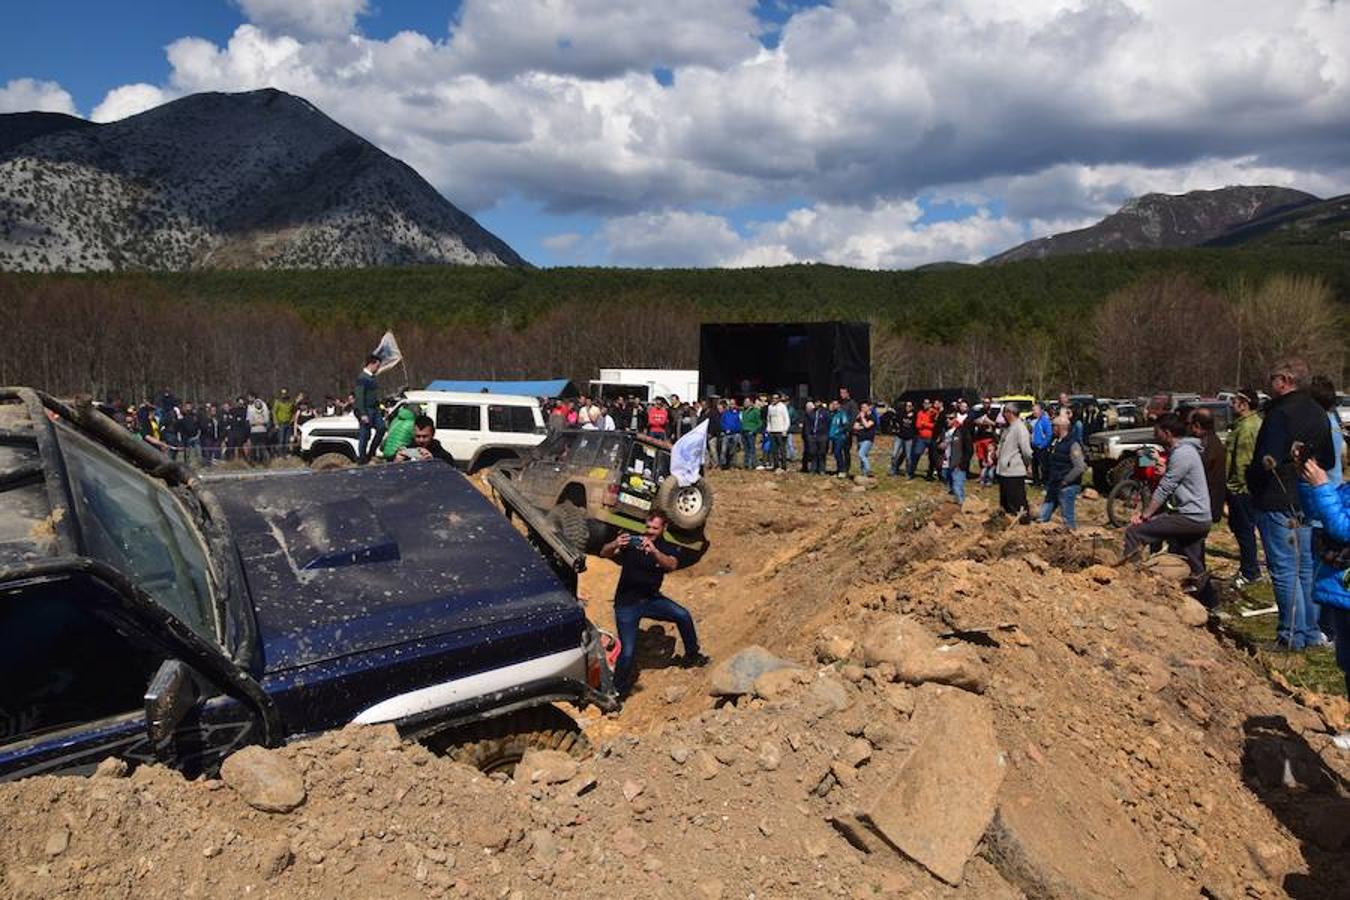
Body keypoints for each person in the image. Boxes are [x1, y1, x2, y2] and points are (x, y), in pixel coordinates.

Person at [1246, 357, 1336, 650]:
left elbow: (1265, 459)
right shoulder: (1318, 413)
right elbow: (1329, 460)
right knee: (1306, 568)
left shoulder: (1280, 414)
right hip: (1306, 497)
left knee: (1285, 568)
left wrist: (1252, 479)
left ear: (1284, 380)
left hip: (1276, 497)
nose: (1270, 384)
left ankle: (1291, 634)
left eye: (1273, 379)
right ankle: (1310, 632)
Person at [600, 512, 708, 695]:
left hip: (652, 600)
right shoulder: (633, 544)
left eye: (655, 528)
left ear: (663, 528)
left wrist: (655, 551)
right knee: (627, 652)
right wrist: (615, 544)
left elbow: (672, 565)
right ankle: (615, 693)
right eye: (648, 527)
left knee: (682, 615)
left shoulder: (665, 546)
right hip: (627, 605)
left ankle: (692, 656)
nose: (649, 532)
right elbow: (604, 553)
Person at [1123, 413, 1212, 577]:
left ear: (1167, 433)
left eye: (1157, 432)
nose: (1155, 435)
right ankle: (1206, 598)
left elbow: (1165, 488)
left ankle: (1130, 578)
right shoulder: (1185, 451)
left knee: (1135, 532)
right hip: (1198, 516)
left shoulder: (1182, 453)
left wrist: (1145, 516)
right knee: (1194, 564)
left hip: (1190, 517)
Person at [1298, 456, 1350, 734]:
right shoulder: (1345, 489)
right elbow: (1317, 513)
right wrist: (1308, 482)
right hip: (1342, 590)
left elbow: (1343, 529)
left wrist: (1321, 487)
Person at [1225, 388, 1264, 588]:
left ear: (1244, 403)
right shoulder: (1243, 425)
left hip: (1242, 490)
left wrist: (1235, 487)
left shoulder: (1248, 427)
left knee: (1244, 530)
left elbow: (1242, 462)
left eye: (1235, 400)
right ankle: (1249, 566)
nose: (1232, 404)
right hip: (1244, 488)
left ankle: (1250, 571)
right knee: (1240, 527)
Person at [1038, 415, 1085, 529]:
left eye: (1053, 426)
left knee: (1067, 520)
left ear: (1060, 427)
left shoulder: (1073, 444)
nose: (1052, 428)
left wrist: (1066, 480)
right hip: (1054, 484)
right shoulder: (1055, 442)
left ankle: (1073, 540)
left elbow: (1079, 467)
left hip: (1066, 486)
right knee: (1042, 517)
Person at [1188, 407, 1227, 531]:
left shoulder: (1206, 446)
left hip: (1207, 499)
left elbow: (1201, 470)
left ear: (1198, 425)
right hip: (1211, 498)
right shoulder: (1214, 441)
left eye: (1192, 426)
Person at [995, 402, 1033, 519]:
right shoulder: (1009, 428)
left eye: (1004, 412)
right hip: (1004, 471)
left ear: (1010, 413)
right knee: (1006, 503)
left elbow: (1026, 451)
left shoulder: (1020, 428)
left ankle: (1023, 522)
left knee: (1017, 502)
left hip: (1014, 471)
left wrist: (1028, 464)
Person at [355, 354, 385, 464]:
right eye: (377, 366)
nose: (378, 368)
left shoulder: (372, 378)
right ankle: (362, 459)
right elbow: (359, 396)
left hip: (374, 409)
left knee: (381, 428)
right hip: (366, 410)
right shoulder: (362, 378)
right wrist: (363, 413)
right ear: (371, 364)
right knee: (365, 435)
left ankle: (371, 452)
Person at [910, 399, 936, 479]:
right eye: (924, 403)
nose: (925, 405)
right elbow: (918, 425)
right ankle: (911, 472)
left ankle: (930, 474)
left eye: (927, 403)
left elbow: (935, 425)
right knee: (916, 454)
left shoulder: (933, 413)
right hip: (921, 437)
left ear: (930, 404)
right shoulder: (920, 413)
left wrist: (924, 424)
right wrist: (929, 425)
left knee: (932, 457)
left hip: (931, 438)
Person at [803, 400, 830, 475]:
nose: (817, 404)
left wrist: (827, 435)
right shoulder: (811, 413)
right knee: (813, 452)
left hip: (822, 436)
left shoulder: (825, 413)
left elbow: (828, 424)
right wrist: (808, 435)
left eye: (818, 402)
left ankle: (821, 469)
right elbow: (807, 425)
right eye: (815, 402)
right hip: (812, 436)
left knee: (822, 453)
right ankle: (813, 469)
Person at [1029, 402, 1053, 486]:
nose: (1033, 412)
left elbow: (1049, 434)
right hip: (1034, 447)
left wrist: (1043, 445)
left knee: (1044, 466)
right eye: (1033, 410)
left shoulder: (1045, 421)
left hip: (1041, 447)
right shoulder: (1034, 421)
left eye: (1035, 410)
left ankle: (1045, 482)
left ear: (1041, 411)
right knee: (1034, 465)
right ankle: (1036, 481)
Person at [891, 401, 916, 477]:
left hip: (909, 438)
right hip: (899, 436)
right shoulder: (901, 413)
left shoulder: (915, 415)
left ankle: (908, 472)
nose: (908, 407)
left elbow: (916, 426)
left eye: (909, 406)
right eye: (906, 406)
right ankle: (894, 470)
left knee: (908, 457)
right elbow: (894, 420)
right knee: (894, 454)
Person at [766, 394, 790, 472]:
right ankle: (776, 465)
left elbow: (786, 419)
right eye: (773, 398)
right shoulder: (770, 407)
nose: (774, 399)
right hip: (772, 431)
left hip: (781, 431)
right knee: (774, 450)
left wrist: (785, 430)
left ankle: (784, 466)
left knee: (782, 450)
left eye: (776, 398)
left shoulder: (782, 407)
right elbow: (768, 419)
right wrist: (768, 429)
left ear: (779, 399)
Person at [853, 401, 876, 478]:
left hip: (868, 439)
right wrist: (859, 419)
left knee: (861, 454)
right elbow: (855, 427)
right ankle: (864, 473)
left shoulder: (872, 416)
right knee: (863, 456)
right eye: (862, 407)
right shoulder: (859, 417)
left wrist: (862, 418)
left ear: (869, 407)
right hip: (860, 439)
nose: (862, 409)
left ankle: (868, 470)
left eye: (864, 407)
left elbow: (867, 425)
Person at [828, 400, 850, 476]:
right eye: (833, 404)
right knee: (835, 453)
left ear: (839, 405)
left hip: (840, 437)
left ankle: (842, 470)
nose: (834, 406)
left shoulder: (842, 414)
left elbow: (845, 425)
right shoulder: (832, 414)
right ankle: (838, 469)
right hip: (833, 436)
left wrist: (839, 431)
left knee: (838, 452)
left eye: (836, 404)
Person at [272, 388, 295, 456]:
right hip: (281, 423)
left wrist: (292, 419)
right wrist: (276, 423)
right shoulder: (278, 402)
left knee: (288, 440)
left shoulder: (290, 402)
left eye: (285, 393)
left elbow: (293, 411)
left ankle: (287, 453)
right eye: (282, 393)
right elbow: (274, 412)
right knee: (281, 440)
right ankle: (280, 454)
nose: (284, 395)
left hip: (288, 423)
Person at [720, 399, 741, 469]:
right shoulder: (725, 413)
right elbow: (722, 422)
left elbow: (740, 423)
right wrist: (725, 429)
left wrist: (736, 430)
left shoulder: (738, 413)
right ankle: (723, 464)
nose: (732, 405)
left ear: (735, 405)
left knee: (733, 450)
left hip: (735, 434)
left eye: (733, 404)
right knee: (724, 450)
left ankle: (732, 464)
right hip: (726, 434)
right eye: (731, 404)